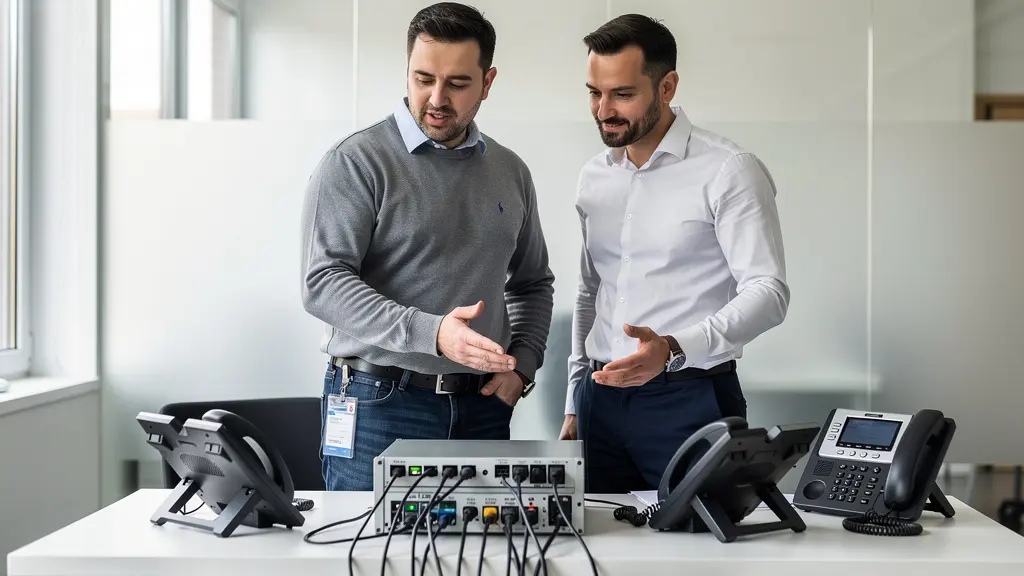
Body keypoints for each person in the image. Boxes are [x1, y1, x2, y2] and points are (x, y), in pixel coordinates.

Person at [301, 2, 554, 491]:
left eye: (458, 84)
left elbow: (532, 283)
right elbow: (322, 283)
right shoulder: (356, 162)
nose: (436, 98)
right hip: (378, 403)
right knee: (367, 557)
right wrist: (434, 334)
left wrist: (523, 365)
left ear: (488, 81)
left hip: (483, 406)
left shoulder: (510, 171)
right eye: (422, 79)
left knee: (481, 561)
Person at [559, 14, 790, 493]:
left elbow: (769, 293)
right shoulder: (593, 177)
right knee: (600, 548)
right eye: (594, 93)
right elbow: (591, 290)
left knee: (705, 552)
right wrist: (573, 397)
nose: (604, 110)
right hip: (599, 398)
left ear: (667, 86)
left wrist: (674, 349)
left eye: (622, 94)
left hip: (690, 397)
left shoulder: (728, 170)